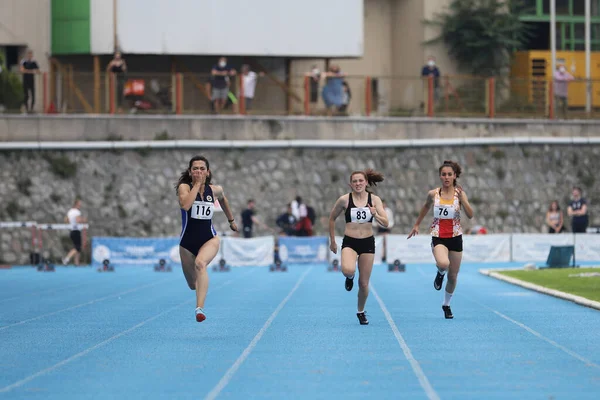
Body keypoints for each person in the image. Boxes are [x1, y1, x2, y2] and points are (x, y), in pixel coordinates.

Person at [407, 160, 474, 320]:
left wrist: (463, 200)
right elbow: (425, 207)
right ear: (440, 176)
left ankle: (446, 304)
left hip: (456, 237)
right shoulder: (433, 194)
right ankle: (439, 272)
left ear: (454, 176)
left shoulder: (460, 194)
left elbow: (470, 215)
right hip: (438, 237)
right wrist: (416, 224)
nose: (446, 177)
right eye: (443, 174)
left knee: (453, 276)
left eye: (449, 174)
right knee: (444, 264)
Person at [176, 155, 238, 322]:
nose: (199, 171)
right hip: (187, 244)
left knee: (200, 264)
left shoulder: (214, 190)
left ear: (208, 172)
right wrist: (196, 185)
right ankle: (199, 291)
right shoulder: (185, 188)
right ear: (190, 172)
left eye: (202, 168)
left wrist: (231, 220)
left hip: (209, 238)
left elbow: (223, 199)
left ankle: (199, 309)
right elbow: (186, 205)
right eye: (195, 168)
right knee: (191, 284)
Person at [329, 169, 389, 325]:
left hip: (367, 242)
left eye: (360, 181)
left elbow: (386, 223)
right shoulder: (344, 200)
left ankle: (360, 311)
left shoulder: (374, 200)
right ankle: (350, 277)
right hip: (350, 241)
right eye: (354, 181)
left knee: (363, 283)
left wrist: (375, 214)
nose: (358, 184)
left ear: (366, 182)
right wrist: (333, 240)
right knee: (348, 270)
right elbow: (332, 218)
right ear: (350, 184)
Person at [62, 199, 86, 266]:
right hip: (76, 231)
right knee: (77, 248)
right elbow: (78, 220)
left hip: (72, 230)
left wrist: (71, 224)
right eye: (79, 204)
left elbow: (66, 220)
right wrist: (83, 220)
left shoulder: (70, 211)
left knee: (77, 247)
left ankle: (76, 262)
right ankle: (66, 259)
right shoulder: (77, 212)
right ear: (76, 204)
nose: (80, 205)